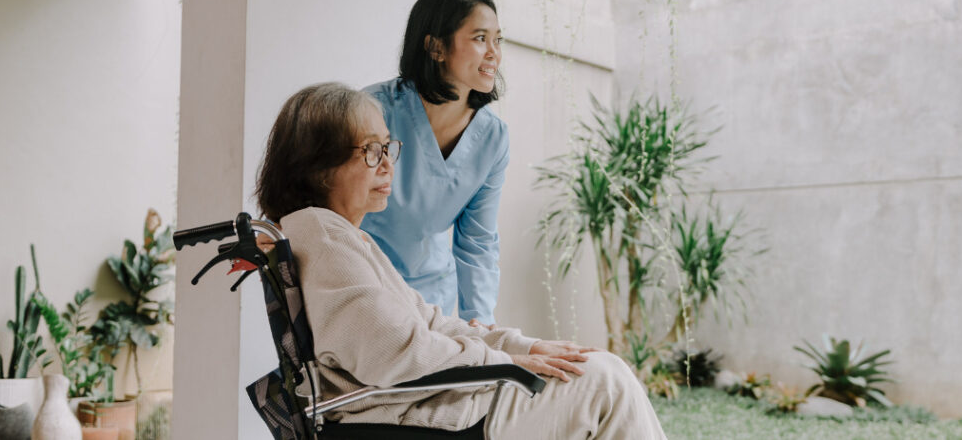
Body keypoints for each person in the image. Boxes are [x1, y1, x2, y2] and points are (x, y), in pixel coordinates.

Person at [254, 82, 667, 438]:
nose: (387, 163)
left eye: (387, 147)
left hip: (425, 403)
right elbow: (399, 353)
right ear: (318, 165)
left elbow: (428, 322)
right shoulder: (326, 237)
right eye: (370, 150)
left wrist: (522, 345)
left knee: (598, 370)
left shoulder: (335, 235)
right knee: (605, 382)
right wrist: (508, 362)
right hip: (416, 416)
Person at [362, 0, 509, 326]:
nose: (494, 53)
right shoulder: (372, 110)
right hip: (365, 289)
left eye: (497, 40)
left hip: (433, 305)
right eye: (479, 38)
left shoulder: (493, 137)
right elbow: (327, 203)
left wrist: (480, 322)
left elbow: (478, 241)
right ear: (435, 47)